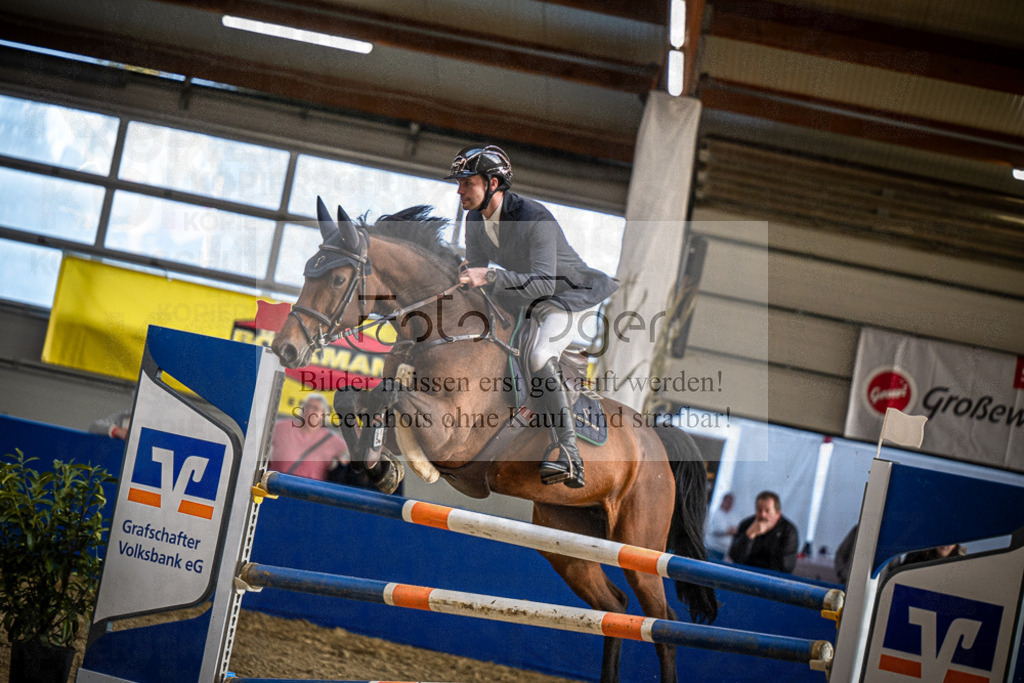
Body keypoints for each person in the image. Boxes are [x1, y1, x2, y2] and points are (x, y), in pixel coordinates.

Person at [447, 145, 618, 489]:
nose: (459, 190)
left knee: (540, 353)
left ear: (493, 183)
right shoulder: (474, 219)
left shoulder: (534, 218)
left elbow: (542, 282)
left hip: (568, 295)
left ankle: (569, 451)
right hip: (525, 296)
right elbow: (479, 270)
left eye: (467, 183)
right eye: (460, 183)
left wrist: (491, 277)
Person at [269, 394, 349, 481]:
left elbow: (349, 455)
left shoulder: (331, 439)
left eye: (315, 408)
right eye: (307, 406)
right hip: (275, 487)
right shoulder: (283, 427)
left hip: (307, 492)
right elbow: (261, 438)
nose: (310, 411)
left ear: (323, 414)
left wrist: (343, 458)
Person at [728, 491, 799, 573]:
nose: (762, 515)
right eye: (759, 510)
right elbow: (734, 557)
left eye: (767, 511)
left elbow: (787, 566)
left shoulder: (788, 531)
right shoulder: (746, 524)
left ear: (778, 514)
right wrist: (749, 535)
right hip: (745, 575)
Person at [706, 492, 743, 562]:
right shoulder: (716, 513)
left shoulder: (733, 516)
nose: (730, 504)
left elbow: (737, 529)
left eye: (731, 502)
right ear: (723, 501)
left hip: (724, 550)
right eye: (728, 501)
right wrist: (729, 530)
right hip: (713, 548)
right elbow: (718, 529)